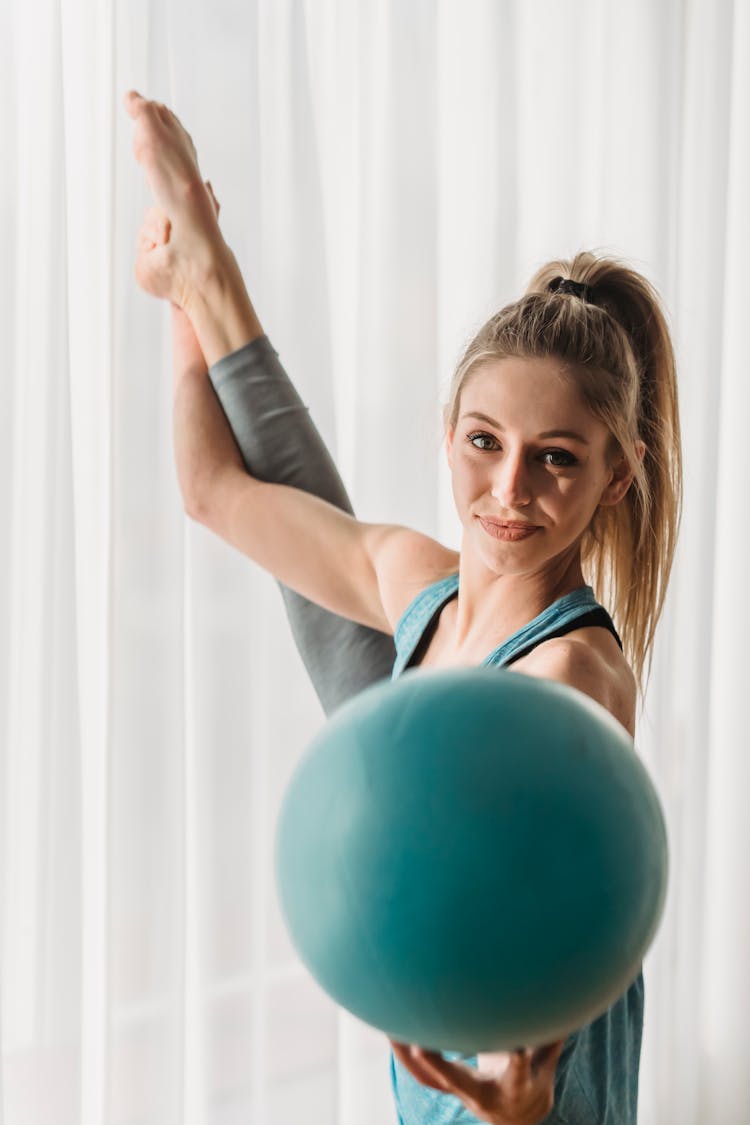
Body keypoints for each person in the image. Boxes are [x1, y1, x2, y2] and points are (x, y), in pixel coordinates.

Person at [125, 90, 682, 1125]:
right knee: (360, 595)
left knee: (367, 670)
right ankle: (210, 276)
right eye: (485, 442)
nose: (510, 488)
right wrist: (175, 304)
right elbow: (213, 491)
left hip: (523, 1102)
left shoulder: (570, 680)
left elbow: (569, 919)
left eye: (556, 460)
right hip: (433, 1075)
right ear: (448, 432)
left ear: (617, 478)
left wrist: (521, 1102)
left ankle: (215, 278)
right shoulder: (417, 579)